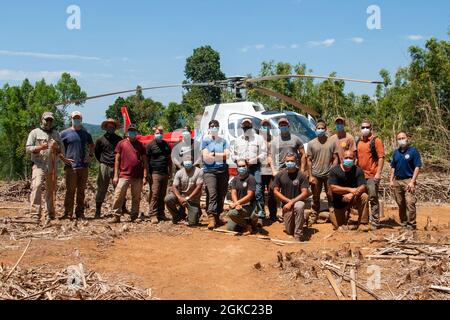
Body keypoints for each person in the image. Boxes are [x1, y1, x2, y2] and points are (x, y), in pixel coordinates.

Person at [26, 112, 65, 224]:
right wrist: (39, 147)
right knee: (37, 186)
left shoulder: (56, 134)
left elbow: (62, 151)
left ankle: (50, 214)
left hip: (52, 165)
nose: (48, 122)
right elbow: (28, 148)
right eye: (46, 120)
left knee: (51, 189)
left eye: (50, 120)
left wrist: (56, 147)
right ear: (41, 120)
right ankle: (34, 215)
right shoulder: (34, 132)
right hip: (39, 164)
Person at [230, 118, 267, 227]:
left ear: (252, 127)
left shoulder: (258, 139)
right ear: (242, 127)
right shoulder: (237, 140)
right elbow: (233, 154)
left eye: (248, 126)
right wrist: (239, 159)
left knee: (258, 191)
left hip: (255, 167)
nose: (246, 128)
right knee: (240, 190)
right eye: (244, 126)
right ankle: (243, 213)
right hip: (242, 168)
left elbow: (264, 153)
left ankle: (260, 215)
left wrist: (254, 159)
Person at [60, 111, 94, 220]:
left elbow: (91, 145)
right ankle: (68, 213)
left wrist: (90, 156)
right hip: (71, 167)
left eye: (78, 118)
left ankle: (80, 213)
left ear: (81, 119)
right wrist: (63, 158)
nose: (77, 120)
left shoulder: (85, 133)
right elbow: (58, 148)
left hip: (83, 167)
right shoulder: (64, 133)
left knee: (81, 191)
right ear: (71, 119)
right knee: (70, 191)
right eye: (75, 118)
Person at [110, 124, 148, 223]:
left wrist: (145, 175)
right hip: (124, 174)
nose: (132, 133)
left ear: (136, 133)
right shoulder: (121, 144)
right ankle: (116, 215)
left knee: (136, 197)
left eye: (134, 131)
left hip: (137, 175)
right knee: (119, 195)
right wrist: (115, 175)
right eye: (130, 131)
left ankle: (134, 216)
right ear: (127, 132)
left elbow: (145, 161)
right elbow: (117, 160)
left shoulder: (141, 145)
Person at [307, 120, 339, 224]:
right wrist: (310, 176)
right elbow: (309, 160)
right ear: (315, 129)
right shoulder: (311, 143)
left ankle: (333, 216)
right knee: (316, 197)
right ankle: (313, 216)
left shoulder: (331, 142)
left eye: (322, 128)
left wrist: (333, 171)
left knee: (331, 196)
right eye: (318, 128)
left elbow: (335, 158)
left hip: (328, 175)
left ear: (325, 129)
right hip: (316, 174)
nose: (320, 130)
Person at [273, 153, 311, 242]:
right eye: (288, 161)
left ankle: (298, 235)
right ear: (284, 162)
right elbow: (275, 191)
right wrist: (288, 202)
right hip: (286, 205)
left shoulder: (301, 175)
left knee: (299, 206)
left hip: (298, 201)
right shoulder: (280, 174)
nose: (290, 162)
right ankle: (303, 217)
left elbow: (305, 193)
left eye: (292, 161)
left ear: (296, 161)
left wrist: (291, 202)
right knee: (289, 231)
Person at [328, 150, 370, 231]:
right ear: (342, 159)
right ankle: (331, 214)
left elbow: (363, 186)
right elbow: (333, 188)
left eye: (350, 158)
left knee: (364, 196)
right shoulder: (334, 170)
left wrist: (352, 194)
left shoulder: (358, 170)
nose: (348, 160)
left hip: (353, 197)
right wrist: (350, 190)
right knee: (338, 227)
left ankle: (363, 223)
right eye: (346, 157)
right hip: (338, 200)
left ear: (354, 159)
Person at [390, 132, 422, 230]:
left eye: (403, 138)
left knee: (410, 202)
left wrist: (412, 181)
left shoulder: (413, 151)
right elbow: (393, 167)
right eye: (399, 138)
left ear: (407, 138)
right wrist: (391, 180)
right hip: (397, 181)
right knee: (400, 203)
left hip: (408, 180)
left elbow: (417, 166)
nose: (401, 140)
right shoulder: (396, 152)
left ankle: (411, 224)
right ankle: (403, 223)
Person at [201, 120, 230, 230]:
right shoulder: (205, 141)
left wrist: (213, 154)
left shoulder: (223, 141)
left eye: (215, 126)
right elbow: (205, 157)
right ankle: (211, 217)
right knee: (212, 193)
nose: (214, 128)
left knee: (221, 194)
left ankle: (217, 216)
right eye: (212, 126)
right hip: (209, 171)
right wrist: (219, 155)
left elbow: (226, 155)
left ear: (218, 127)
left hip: (222, 171)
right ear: (209, 128)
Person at [356, 120, 385, 231]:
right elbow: (357, 159)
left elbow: (381, 157)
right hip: (361, 176)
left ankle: (375, 222)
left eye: (367, 127)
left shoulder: (376, 141)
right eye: (363, 127)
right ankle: (364, 220)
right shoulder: (359, 141)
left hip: (372, 175)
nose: (365, 129)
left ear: (371, 128)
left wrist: (378, 173)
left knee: (373, 198)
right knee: (363, 197)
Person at [94, 118, 123, 218]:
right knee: (101, 188)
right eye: (109, 126)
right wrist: (102, 162)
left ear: (115, 128)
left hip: (116, 166)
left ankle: (122, 208)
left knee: (119, 188)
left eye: (112, 126)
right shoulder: (100, 140)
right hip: (104, 165)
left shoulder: (119, 140)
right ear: (106, 127)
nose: (110, 128)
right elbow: (96, 153)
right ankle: (98, 210)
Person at [164, 156, 204, 226]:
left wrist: (187, 198)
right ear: (183, 162)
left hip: (193, 199)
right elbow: (174, 186)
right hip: (181, 197)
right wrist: (179, 197)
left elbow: (199, 187)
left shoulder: (199, 171)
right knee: (168, 199)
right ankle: (177, 216)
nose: (187, 162)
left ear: (193, 162)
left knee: (192, 223)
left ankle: (197, 212)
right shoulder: (179, 172)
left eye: (190, 160)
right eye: (186, 160)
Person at [147, 126, 172, 224]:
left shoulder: (166, 145)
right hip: (155, 173)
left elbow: (169, 159)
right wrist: (147, 173)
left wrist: (170, 171)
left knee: (162, 194)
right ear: (154, 133)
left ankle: (161, 213)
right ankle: (153, 214)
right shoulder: (150, 145)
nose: (159, 134)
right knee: (155, 193)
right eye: (157, 132)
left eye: (161, 132)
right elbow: (146, 160)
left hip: (164, 172)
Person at [226, 159, 258, 235]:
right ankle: (246, 225)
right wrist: (237, 204)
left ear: (247, 166)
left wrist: (237, 203)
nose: (241, 168)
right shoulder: (235, 179)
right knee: (230, 228)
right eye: (239, 166)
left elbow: (250, 195)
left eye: (243, 166)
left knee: (232, 214)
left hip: (249, 206)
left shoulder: (251, 178)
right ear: (237, 167)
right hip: (238, 206)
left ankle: (251, 225)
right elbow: (233, 193)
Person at [259, 119, 278, 222]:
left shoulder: (274, 140)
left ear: (270, 127)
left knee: (272, 193)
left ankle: (273, 215)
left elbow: (277, 156)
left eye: (267, 125)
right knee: (260, 193)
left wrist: (276, 170)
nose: (265, 127)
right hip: (260, 171)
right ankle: (261, 215)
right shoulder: (256, 140)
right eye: (263, 125)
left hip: (271, 172)